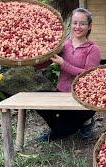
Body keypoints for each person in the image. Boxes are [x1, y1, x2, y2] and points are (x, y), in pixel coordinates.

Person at [35, 8, 101, 141]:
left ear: (89, 26)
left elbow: (88, 76)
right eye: (75, 23)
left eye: (82, 23)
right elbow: (43, 64)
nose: (77, 27)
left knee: (61, 132)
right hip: (61, 94)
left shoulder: (93, 49)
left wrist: (63, 64)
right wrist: (34, 58)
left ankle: (85, 122)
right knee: (37, 103)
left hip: (82, 98)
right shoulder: (64, 45)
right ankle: (63, 127)